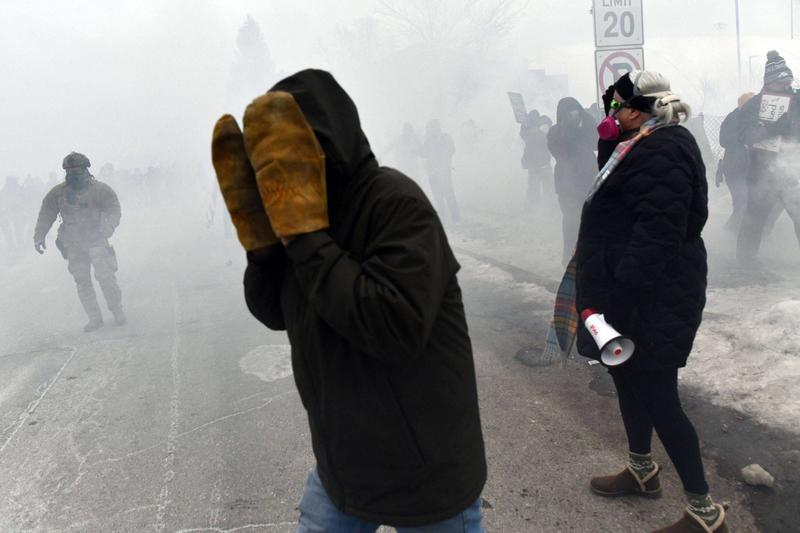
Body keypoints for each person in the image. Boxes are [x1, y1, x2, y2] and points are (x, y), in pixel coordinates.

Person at [211, 69, 487, 531]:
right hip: (342, 462)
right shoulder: (300, 215)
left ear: (327, 142)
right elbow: (276, 314)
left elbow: (394, 327)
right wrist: (262, 248)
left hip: (426, 468)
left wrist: (304, 237)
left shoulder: (394, 202)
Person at [575, 71, 728, 532]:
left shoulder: (664, 149)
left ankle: (705, 512)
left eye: (616, 107)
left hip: (653, 294)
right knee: (627, 379)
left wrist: (617, 306)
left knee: (660, 397)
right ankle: (642, 472)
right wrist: (608, 144)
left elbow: (656, 235)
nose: (610, 115)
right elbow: (619, 204)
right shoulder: (639, 143)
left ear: (640, 108)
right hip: (629, 286)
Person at [34, 152, 125, 332]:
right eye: (70, 170)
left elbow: (114, 209)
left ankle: (117, 310)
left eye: (78, 170)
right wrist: (39, 235)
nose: (74, 173)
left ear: (86, 169)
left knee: (105, 277)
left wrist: (109, 226)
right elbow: (46, 214)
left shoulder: (100, 190)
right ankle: (94, 318)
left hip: (97, 240)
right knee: (82, 282)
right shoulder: (58, 193)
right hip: (73, 244)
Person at [737, 50, 800, 264]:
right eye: (781, 83)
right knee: (754, 219)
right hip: (762, 171)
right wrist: (773, 129)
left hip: (793, 171)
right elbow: (744, 135)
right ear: (769, 83)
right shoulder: (754, 105)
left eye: (788, 81)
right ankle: (744, 263)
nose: (786, 86)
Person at [547, 97, 597, 264]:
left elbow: (596, 142)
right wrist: (567, 128)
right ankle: (569, 257)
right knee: (571, 222)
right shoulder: (555, 131)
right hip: (566, 185)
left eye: (576, 111)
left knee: (590, 222)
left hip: (589, 181)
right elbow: (558, 150)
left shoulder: (585, 128)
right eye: (569, 112)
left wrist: (588, 121)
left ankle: (587, 256)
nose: (574, 115)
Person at [718, 93, 755, 232]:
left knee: (748, 204)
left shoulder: (750, 119)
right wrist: (743, 138)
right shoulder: (733, 118)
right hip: (735, 169)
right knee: (742, 204)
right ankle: (729, 233)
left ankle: (740, 233)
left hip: (748, 169)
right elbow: (724, 140)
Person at [421, 119, 460, 224]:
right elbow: (423, 153)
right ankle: (443, 219)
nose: (431, 130)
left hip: (444, 171)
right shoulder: (427, 140)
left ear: (437, 127)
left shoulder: (445, 137)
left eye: (433, 127)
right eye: (429, 128)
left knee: (448, 194)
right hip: (432, 172)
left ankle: (456, 219)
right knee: (438, 196)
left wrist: (442, 154)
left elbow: (452, 149)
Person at [520, 109, 553, 205]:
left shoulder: (540, 129)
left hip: (538, 164)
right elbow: (524, 134)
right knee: (542, 188)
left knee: (537, 188)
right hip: (539, 164)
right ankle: (542, 208)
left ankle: (535, 208)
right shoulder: (530, 131)